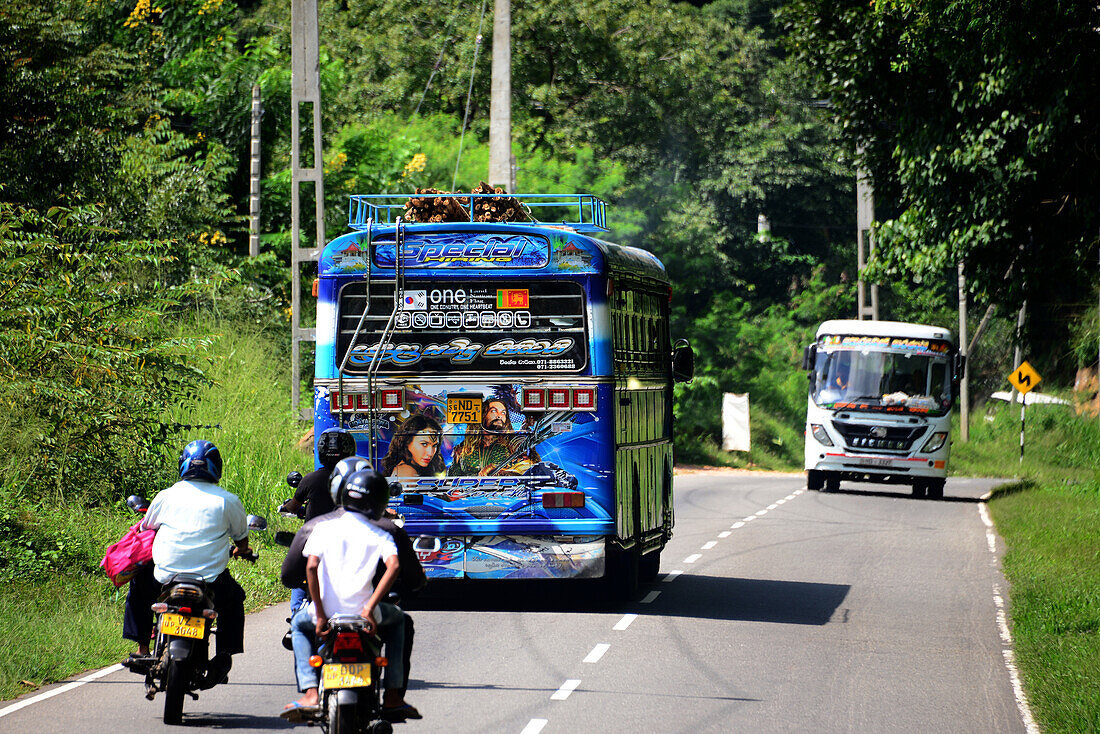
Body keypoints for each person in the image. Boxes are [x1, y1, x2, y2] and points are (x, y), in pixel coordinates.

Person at [281, 469, 421, 723]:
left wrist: (321, 613)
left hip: (325, 613)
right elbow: (395, 567)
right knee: (400, 621)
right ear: (380, 501)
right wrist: (369, 608)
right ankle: (392, 695)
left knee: (299, 626)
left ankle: (311, 693)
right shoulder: (380, 532)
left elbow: (311, 567)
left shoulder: (322, 528)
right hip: (364, 614)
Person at [122, 440, 251, 684]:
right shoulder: (228, 500)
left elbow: (146, 527)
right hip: (210, 579)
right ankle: (224, 654)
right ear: (217, 468)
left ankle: (141, 648)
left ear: (183, 465)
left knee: (139, 586)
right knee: (234, 600)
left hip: (165, 575)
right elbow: (241, 538)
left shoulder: (166, 496)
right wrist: (242, 550)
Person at [279, 427, 357, 613]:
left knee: (299, 573)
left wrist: (287, 506)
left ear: (320, 452)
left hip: (314, 539)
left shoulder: (311, 479)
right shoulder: (356, 479)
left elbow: (292, 507)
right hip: (348, 541)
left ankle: (297, 612)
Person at [447, 397, 538, 476]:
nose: (499, 416)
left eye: (503, 413)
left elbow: (532, 466)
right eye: (494, 411)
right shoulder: (463, 447)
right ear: (483, 415)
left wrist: (499, 469)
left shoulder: (513, 441)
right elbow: (452, 478)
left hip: (506, 493)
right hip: (469, 493)